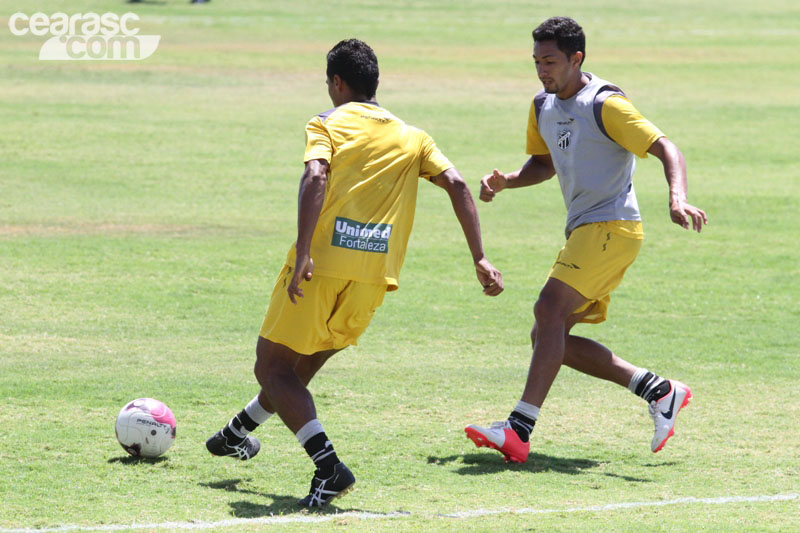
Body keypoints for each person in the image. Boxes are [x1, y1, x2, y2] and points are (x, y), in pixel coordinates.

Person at [206, 38, 504, 506]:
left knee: (272, 366)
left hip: (321, 266)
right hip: (374, 275)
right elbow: (457, 183)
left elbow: (316, 175)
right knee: (301, 366)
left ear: (337, 82)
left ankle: (329, 468)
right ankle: (236, 433)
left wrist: (305, 251)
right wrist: (480, 257)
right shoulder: (413, 136)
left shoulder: (327, 122)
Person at [465, 17, 707, 463]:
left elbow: (666, 147)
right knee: (547, 334)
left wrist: (678, 196)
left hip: (612, 227)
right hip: (587, 229)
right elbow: (544, 163)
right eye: (537, 62)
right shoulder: (542, 105)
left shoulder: (605, 104)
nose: (542, 70)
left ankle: (518, 429)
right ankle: (660, 390)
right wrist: (507, 181)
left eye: (550, 61)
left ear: (576, 58)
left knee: (548, 310)